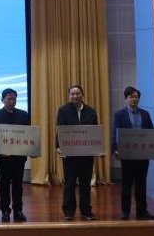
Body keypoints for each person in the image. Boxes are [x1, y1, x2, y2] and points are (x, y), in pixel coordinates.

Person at [112, 86, 154, 220]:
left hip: (143, 155)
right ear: (126, 99)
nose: (134, 99)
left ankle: (142, 211)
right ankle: (125, 212)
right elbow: (115, 133)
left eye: (136, 97)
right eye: (131, 97)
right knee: (126, 184)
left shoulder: (145, 114)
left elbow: (152, 132)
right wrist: (115, 149)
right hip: (127, 155)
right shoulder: (119, 114)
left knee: (141, 185)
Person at [56, 84, 98, 221]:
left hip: (86, 154)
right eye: (72, 94)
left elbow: (95, 132)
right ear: (69, 96)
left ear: (82, 95)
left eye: (77, 93)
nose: (75, 96)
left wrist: (98, 147)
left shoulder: (91, 111)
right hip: (70, 153)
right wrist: (59, 146)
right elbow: (60, 129)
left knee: (85, 183)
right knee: (70, 183)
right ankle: (69, 212)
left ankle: (86, 211)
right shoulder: (63, 110)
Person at [0, 88, 30, 222]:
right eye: (9, 99)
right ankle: (5, 211)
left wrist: (31, 150)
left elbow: (28, 134)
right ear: (2, 100)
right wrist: (2, 148)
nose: (12, 101)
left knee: (18, 184)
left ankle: (18, 210)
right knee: (5, 184)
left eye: (14, 99)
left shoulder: (24, 114)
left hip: (19, 156)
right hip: (4, 156)